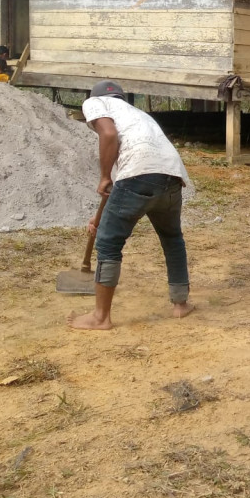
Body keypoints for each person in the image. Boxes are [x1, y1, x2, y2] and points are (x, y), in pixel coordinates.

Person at [67, 80, 193, 331]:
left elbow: (109, 136)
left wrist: (103, 176)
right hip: (172, 175)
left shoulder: (96, 103)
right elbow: (118, 183)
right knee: (172, 238)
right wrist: (99, 218)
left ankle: (100, 317)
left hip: (139, 174)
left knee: (108, 243)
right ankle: (181, 304)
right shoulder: (137, 116)